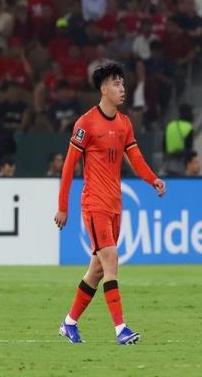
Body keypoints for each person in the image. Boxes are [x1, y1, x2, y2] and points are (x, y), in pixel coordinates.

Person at [54, 63, 166, 345]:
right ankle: (121, 329)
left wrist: (152, 179)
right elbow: (68, 166)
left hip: (116, 205)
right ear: (103, 89)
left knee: (97, 270)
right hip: (95, 205)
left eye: (123, 83)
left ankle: (69, 323)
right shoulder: (86, 123)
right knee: (111, 259)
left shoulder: (124, 123)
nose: (122, 89)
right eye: (116, 84)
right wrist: (63, 206)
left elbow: (135, 158)